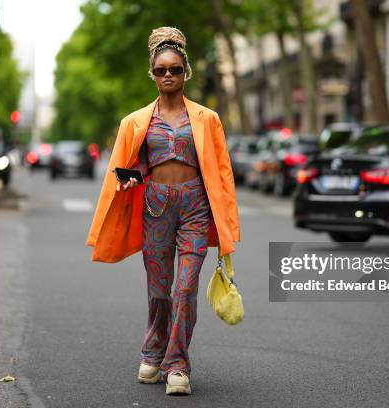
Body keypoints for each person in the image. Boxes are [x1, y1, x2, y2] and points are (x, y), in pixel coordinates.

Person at [85, 27, 241, 396]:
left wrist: (229, 226)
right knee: (159, 291)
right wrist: (130, 178)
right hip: (155, 204)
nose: (167, 75)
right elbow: (136, 165)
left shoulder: (208, 118)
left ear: (186, 72)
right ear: (152, 75)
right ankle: (153, 352)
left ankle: (177, 365)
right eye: (160, 71)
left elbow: (222, 171)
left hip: (195, 208)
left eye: (174, 69)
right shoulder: (135, 121)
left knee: (185, 289)